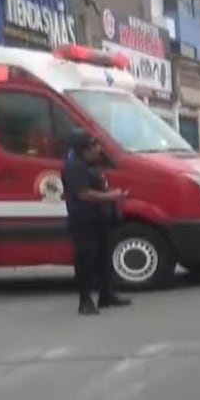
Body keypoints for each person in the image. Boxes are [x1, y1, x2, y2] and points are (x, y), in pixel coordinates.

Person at [62, 130, 132, 315]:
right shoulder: (74, 167)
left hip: (101, 219)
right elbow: (84, 194)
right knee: (86, 261)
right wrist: (112, 195)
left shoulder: (92, 164)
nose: (98, 148)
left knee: (104, 259)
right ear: (84, 149)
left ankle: (106, 295)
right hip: (84, 221)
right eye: (94, 146)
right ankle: (85, 301)